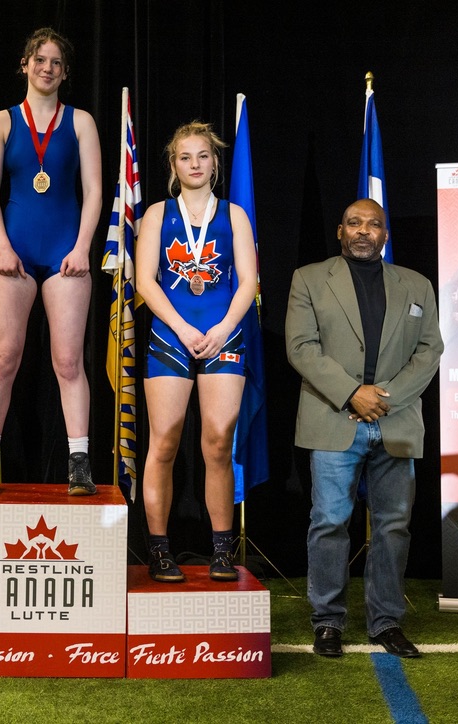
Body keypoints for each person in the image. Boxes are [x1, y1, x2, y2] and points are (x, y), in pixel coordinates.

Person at [286, 198, 443, 658]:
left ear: (385, 235)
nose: (363, 230)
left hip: (395, 421)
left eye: (373, 224)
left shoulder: (417, 285)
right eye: (354, 223)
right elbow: (300, 347)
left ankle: (386, 621)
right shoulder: (310, 279)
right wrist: (353, 392)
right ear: (340, 231)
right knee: (330, 522)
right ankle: (328, 622)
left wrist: (383, 397)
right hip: (333, 419)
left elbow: (430, 350)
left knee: (394, 526)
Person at [0, 27, 102, 496]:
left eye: (56, 63)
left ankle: (79, 462)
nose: (47, 68)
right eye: (39, 60)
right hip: (15, 254)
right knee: (4, 357)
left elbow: (95, 191)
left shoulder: (81, 121)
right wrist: (1, 246)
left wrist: (83, 246)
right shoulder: (2, 123)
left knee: (68, 361)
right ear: (24, 64)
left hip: (67, 251)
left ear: (65, 73)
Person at [134, 122, 258, 583]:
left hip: (224, 337)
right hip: (171, 336)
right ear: (173, 165)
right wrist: (184, 328)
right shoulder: (155, 214)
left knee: (218, 444)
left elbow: (248, 282)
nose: (194, 164)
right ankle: (160, 551)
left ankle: (222, 551)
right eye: (185, 157)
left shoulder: (234, 215)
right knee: (163, 443)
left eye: (202, 156)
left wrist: (223, 327)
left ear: (215, 163)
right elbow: (145, 281)